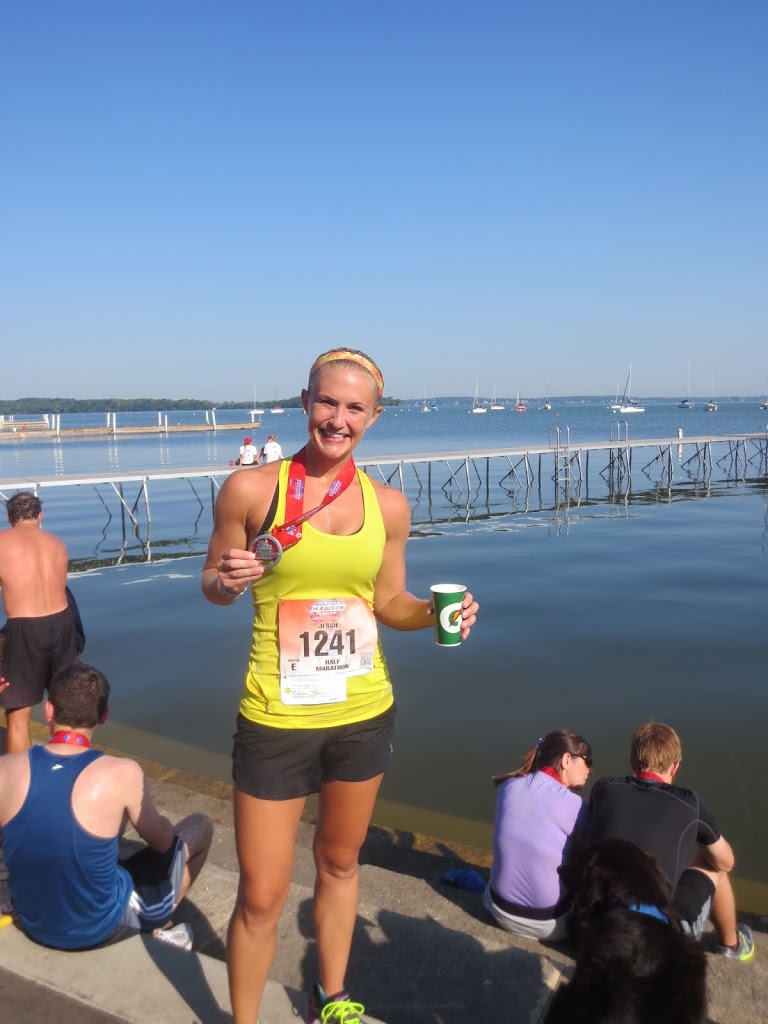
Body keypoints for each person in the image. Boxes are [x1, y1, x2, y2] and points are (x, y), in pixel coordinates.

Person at [202, 347, 479, 1024]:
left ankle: (331, 998)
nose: (338, 418)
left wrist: (438, 614)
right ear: (305, 402)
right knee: (261, 897)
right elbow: (212, 582)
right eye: (327, 402)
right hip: (276, 715)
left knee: (340, 865)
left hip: (362, 714)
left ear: (374, 417)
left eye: (355, 408)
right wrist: (227, 581)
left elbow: (388, 603)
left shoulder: (390, 506)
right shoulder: (250, 490)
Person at [0, 661, 213, 951]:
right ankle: (159, 932)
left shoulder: (7, 767)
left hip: (33, 919)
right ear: (104, 716)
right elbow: (163, 843)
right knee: (200, 826)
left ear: (48, 710)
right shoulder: (122, 773)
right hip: (96, 928)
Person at [588, 722, 754, 960]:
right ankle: (733, 946)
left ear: (632, 761)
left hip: (594, 933)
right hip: (653, 946)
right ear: (675, 766)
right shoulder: (690, 803)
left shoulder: (604, 789)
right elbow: (726, 862)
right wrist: (698, 840)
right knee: (715, 866)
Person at [484, 729, 592, 941]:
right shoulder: (577, 806)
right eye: (587, 761)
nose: (590, 769)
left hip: (497, 909)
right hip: (549, 925)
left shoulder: (508, 786)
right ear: (567, 760)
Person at [0, 491, 79, 753]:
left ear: (9, 517)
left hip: (24, 627)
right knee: (65, 707)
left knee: (18, 714)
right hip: (63, 624)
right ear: (40, 516)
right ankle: (65, 766)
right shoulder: (57, 544)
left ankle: (20, 775)